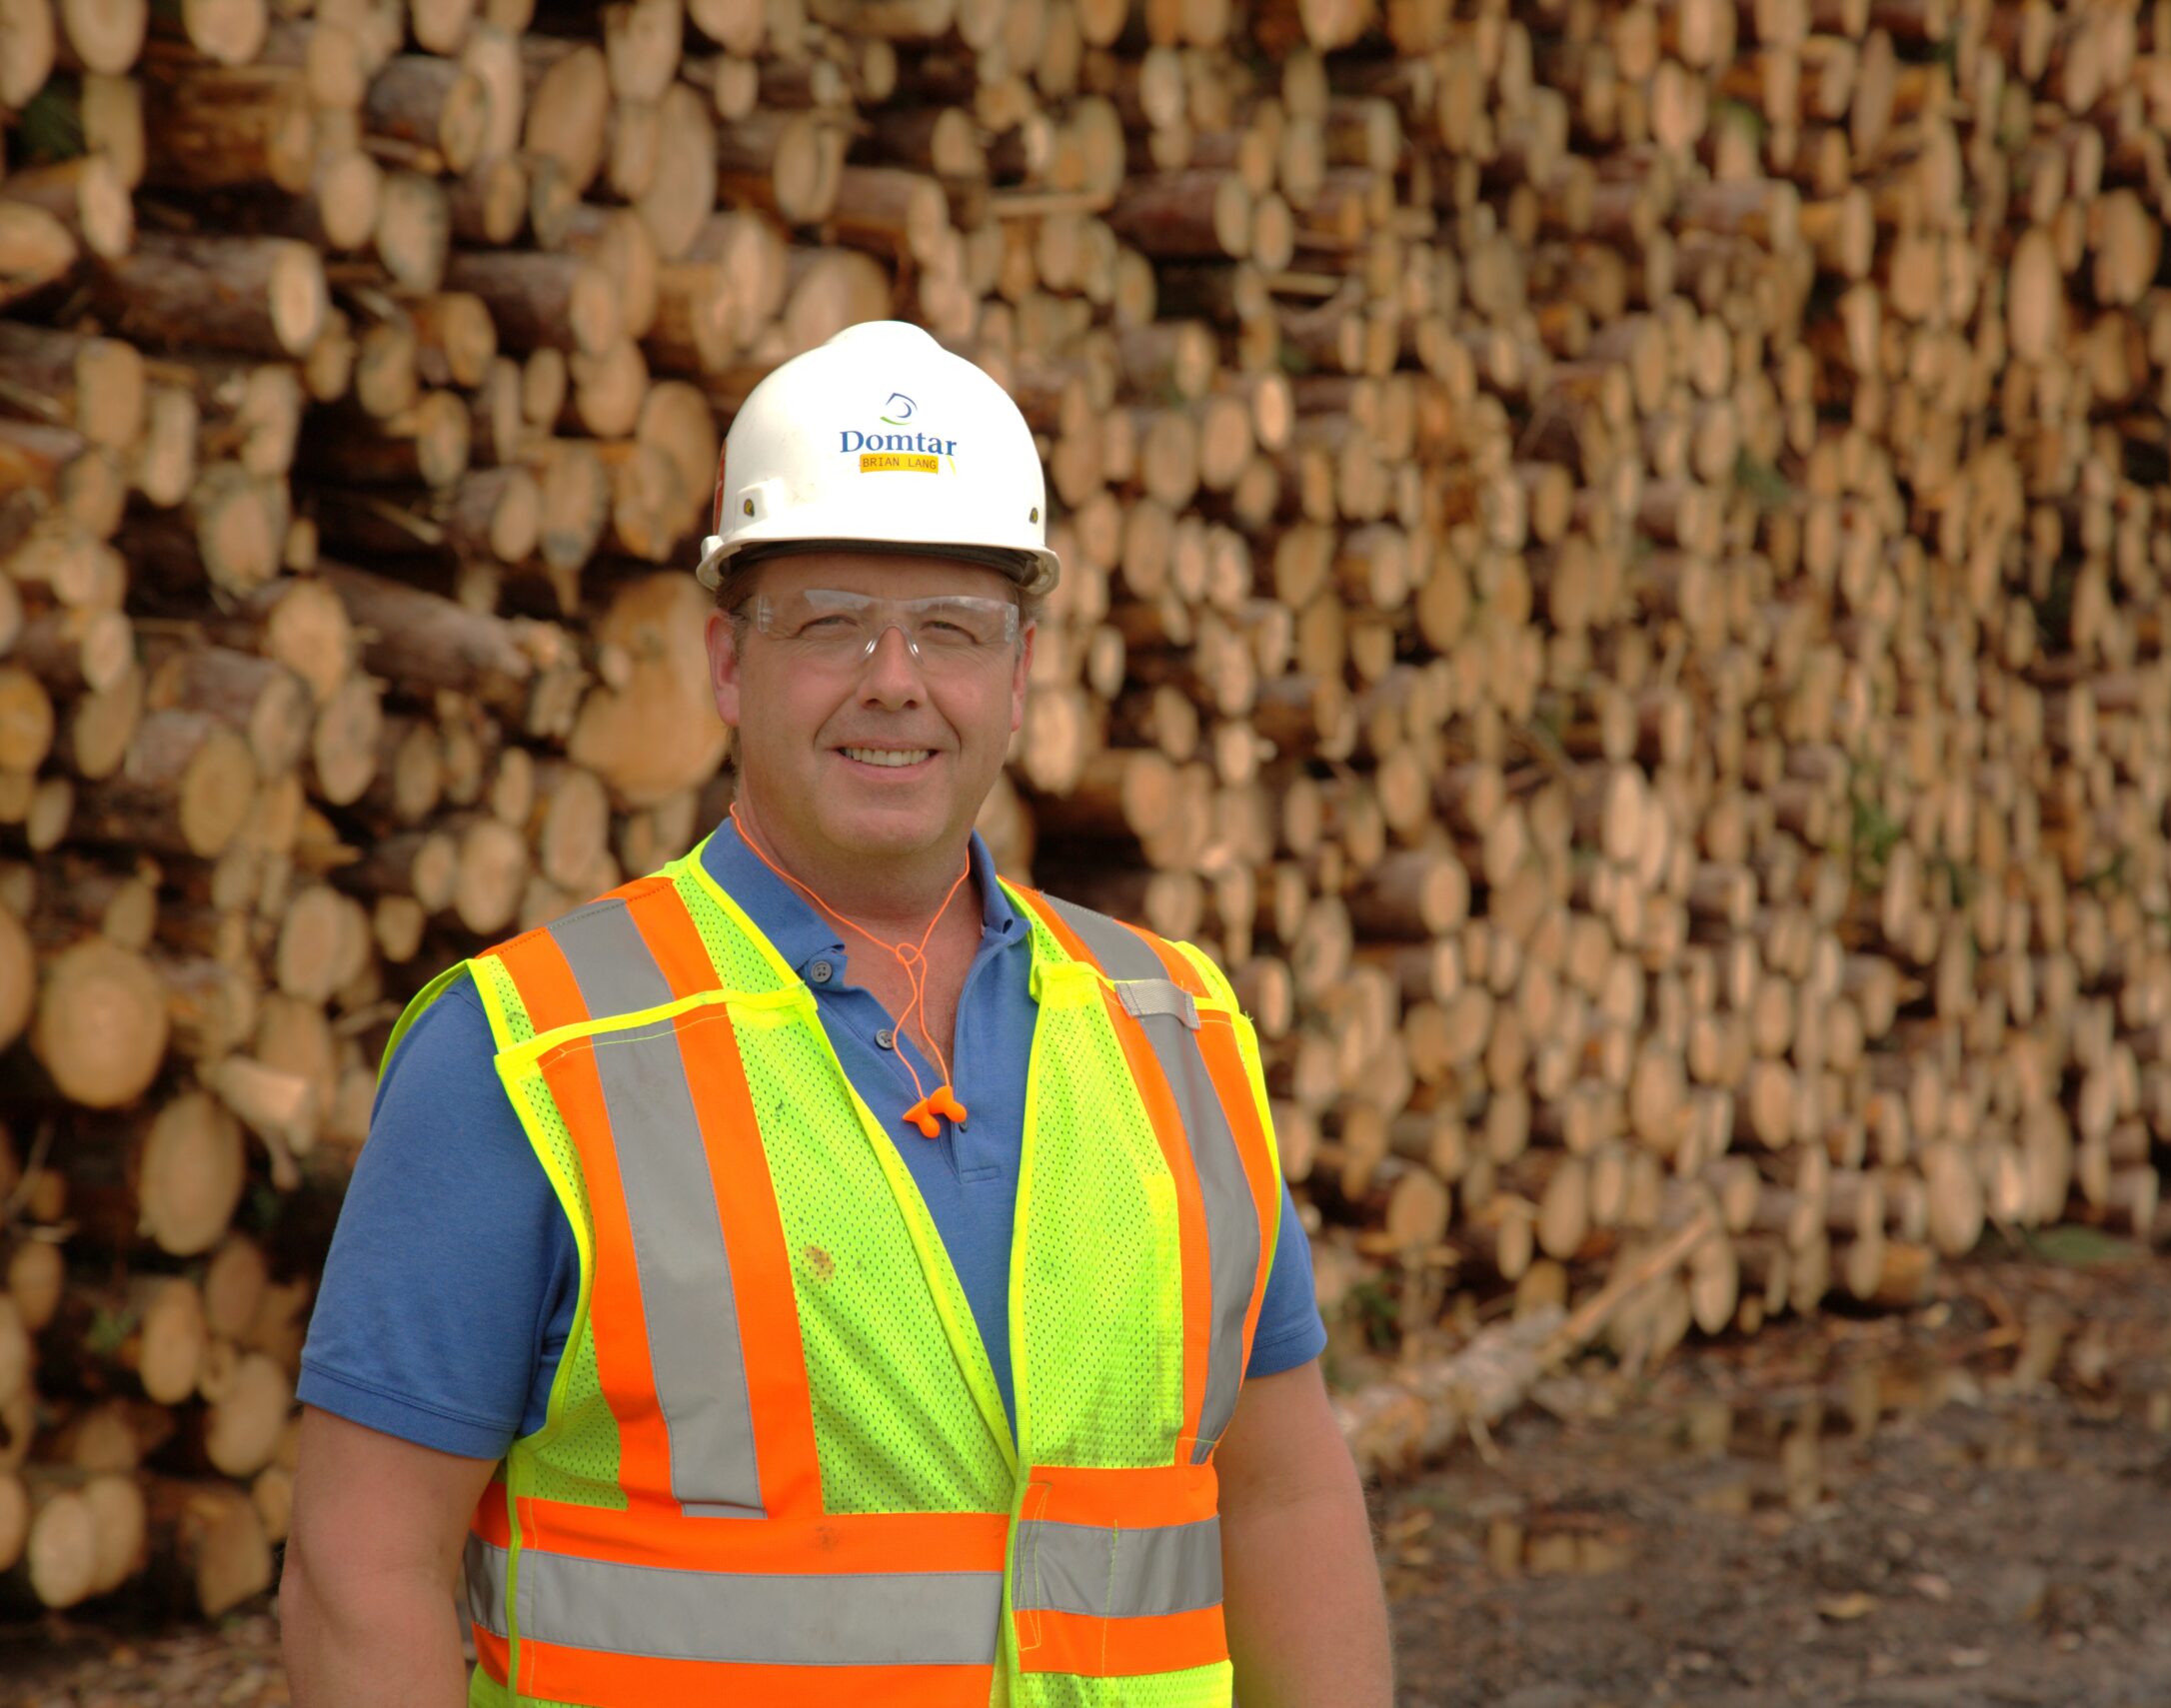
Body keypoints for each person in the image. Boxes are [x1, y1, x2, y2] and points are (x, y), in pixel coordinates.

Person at [281, 320, 1394, 1708]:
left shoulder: (1177, 1029)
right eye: (830, 623)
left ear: (1020, 672)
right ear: (730, 666)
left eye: (951, 629)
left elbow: (1284, 1501)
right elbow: (359, 1565)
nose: (894, 677)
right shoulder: (526, 1057)